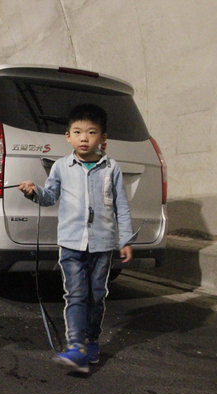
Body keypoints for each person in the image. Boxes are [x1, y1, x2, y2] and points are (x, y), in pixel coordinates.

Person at [18, 104, 133, 373]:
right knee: (76, 294)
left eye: (91, 132)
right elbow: (50, 197)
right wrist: (34, 192)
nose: (84, 138)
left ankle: (92, 339)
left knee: (96, 295)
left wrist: (125, 239)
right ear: (67, 137)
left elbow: (122, 207)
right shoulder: (61, 167)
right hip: (70, 244)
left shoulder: (111, 168)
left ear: (103, 139)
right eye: (78, 132)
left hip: (102, 245)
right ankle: (76, 346)